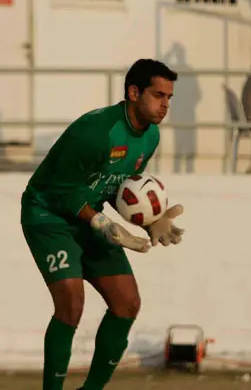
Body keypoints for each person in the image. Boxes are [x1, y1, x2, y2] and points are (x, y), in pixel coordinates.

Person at [20, 58, 186, 390]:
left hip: (88, 216)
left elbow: (115, 188)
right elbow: (62, 192)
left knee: (127, 303)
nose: (165, 104)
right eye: (158, 95)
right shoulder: (95, 132)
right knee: (71, 301)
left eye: (169, 97)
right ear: (133, 92)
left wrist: (150, 222)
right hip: (47, 214)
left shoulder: (150, 136)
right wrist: (102, 223)